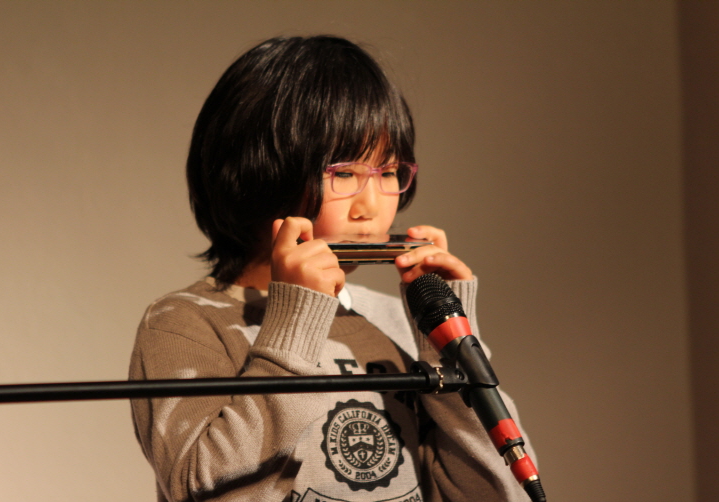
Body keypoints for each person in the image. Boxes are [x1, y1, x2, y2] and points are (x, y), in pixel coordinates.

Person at [129, 35, 535, 502]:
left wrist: (449, 340)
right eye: (344, 173)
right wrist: (297, 322)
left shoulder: (397, 323)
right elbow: (210, 494)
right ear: (260, 171)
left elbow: (502, 494)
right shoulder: (183, 325)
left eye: (387, 173)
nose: (372, 207)